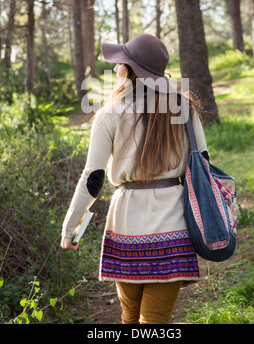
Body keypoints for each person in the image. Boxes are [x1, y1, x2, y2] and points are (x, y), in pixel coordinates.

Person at [60, 33, 208, 324]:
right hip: (175, 225)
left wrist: (70, 229)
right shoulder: (184, 109)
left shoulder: (109, 114)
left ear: (130, 70)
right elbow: (203, 165)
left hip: (126, 224)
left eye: (120, 63)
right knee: (156, 320)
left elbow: (93, 178)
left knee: (129, 317)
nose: (115, 69)